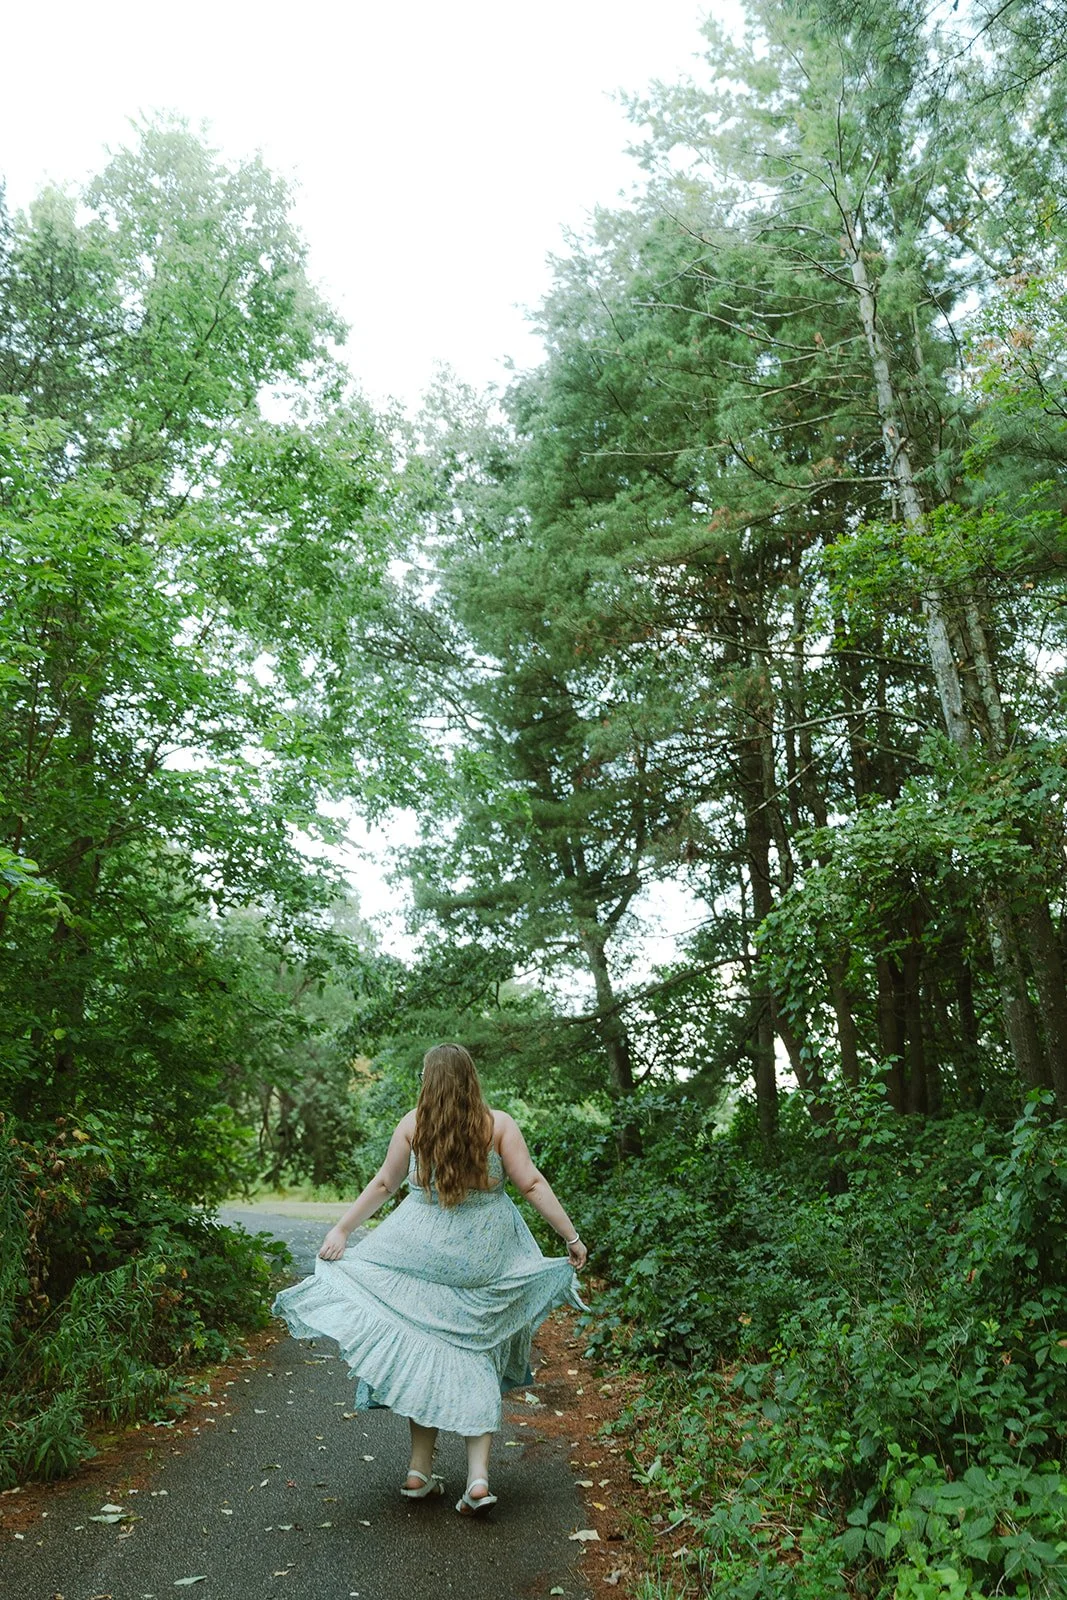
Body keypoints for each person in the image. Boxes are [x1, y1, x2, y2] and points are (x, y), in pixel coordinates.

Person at [272, 1042, 588, 1515]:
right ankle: (477, 1479)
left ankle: (419, 1472)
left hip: (418, 1251)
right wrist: (571, 1238)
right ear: (470, 1079)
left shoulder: (413, 1125)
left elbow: (385, 1184)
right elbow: (532, 1184)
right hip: (482, 1258)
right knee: (475, 1351)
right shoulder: (497, 1125)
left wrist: (343, 1230)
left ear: (429, 1080)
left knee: (425, 1346)